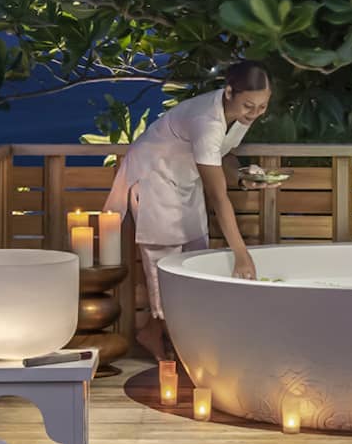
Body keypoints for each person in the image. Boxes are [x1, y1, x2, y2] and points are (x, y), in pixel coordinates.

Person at [102, 62, 273, 358]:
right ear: (229, 92)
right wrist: (241, 256)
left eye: (262, 106)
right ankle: (186, 349)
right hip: (154, 177)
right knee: (164, 264)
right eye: (249, 106)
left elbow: (225, 154)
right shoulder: (207, 122)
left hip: (184, 178)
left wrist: (243, 176)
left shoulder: (241, 114)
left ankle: (151, 333)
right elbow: (219, 197)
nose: (255, 113)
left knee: (195, 254)